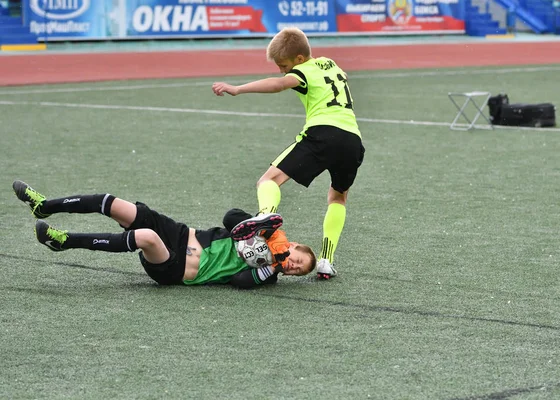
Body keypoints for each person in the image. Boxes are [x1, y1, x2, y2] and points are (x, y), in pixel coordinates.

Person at [212, 27, 365, 280]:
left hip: (323, 133)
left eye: (284, 65)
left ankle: (265, 219)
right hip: (352, 140)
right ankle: (326, 260)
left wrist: (238, 89)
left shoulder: (301, 71)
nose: (283, 70)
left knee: (269, 180)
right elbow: (342, 75)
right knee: (338, 198)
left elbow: (279, 84)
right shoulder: (329, 63)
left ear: (299, 60)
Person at [12, 180, 316, 288]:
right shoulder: (266, 233)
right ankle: (44, 207)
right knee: (116, 205)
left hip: (177, 269)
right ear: (296, 245)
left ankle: (64, 241)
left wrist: (271, 264)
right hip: (181, 234)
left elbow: (238, 281)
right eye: (298, 260)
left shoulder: (269, 274)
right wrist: (260, 228)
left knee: (145, 237)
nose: (294, 266)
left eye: (297, 271)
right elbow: (230, 217)